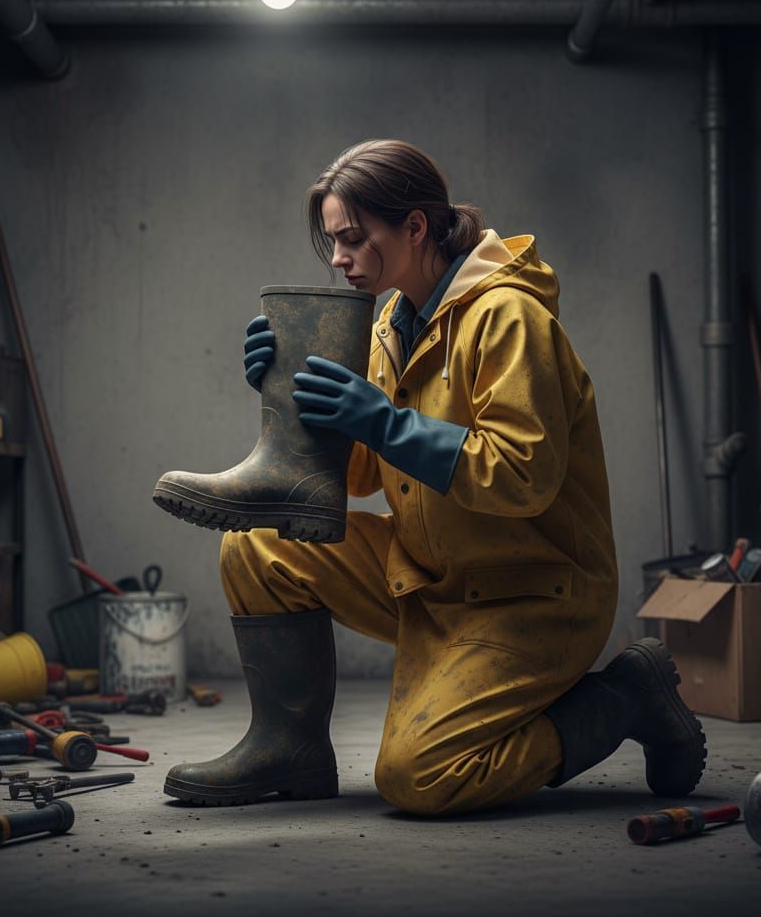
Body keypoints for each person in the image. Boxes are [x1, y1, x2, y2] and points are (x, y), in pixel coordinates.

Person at [161, 139, 706, 816]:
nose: (337, 258)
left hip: (534, 596)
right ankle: (288, 751)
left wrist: (385, 422)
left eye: (354, 239)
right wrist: (284, 392)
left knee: (420, 776)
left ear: (415, 227)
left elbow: (522, 475)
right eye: (333, 241)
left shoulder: (508, 317)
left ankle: (625, 698)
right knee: (259, 543)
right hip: (433, 578)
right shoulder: (394, 321)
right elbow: (359, 475)